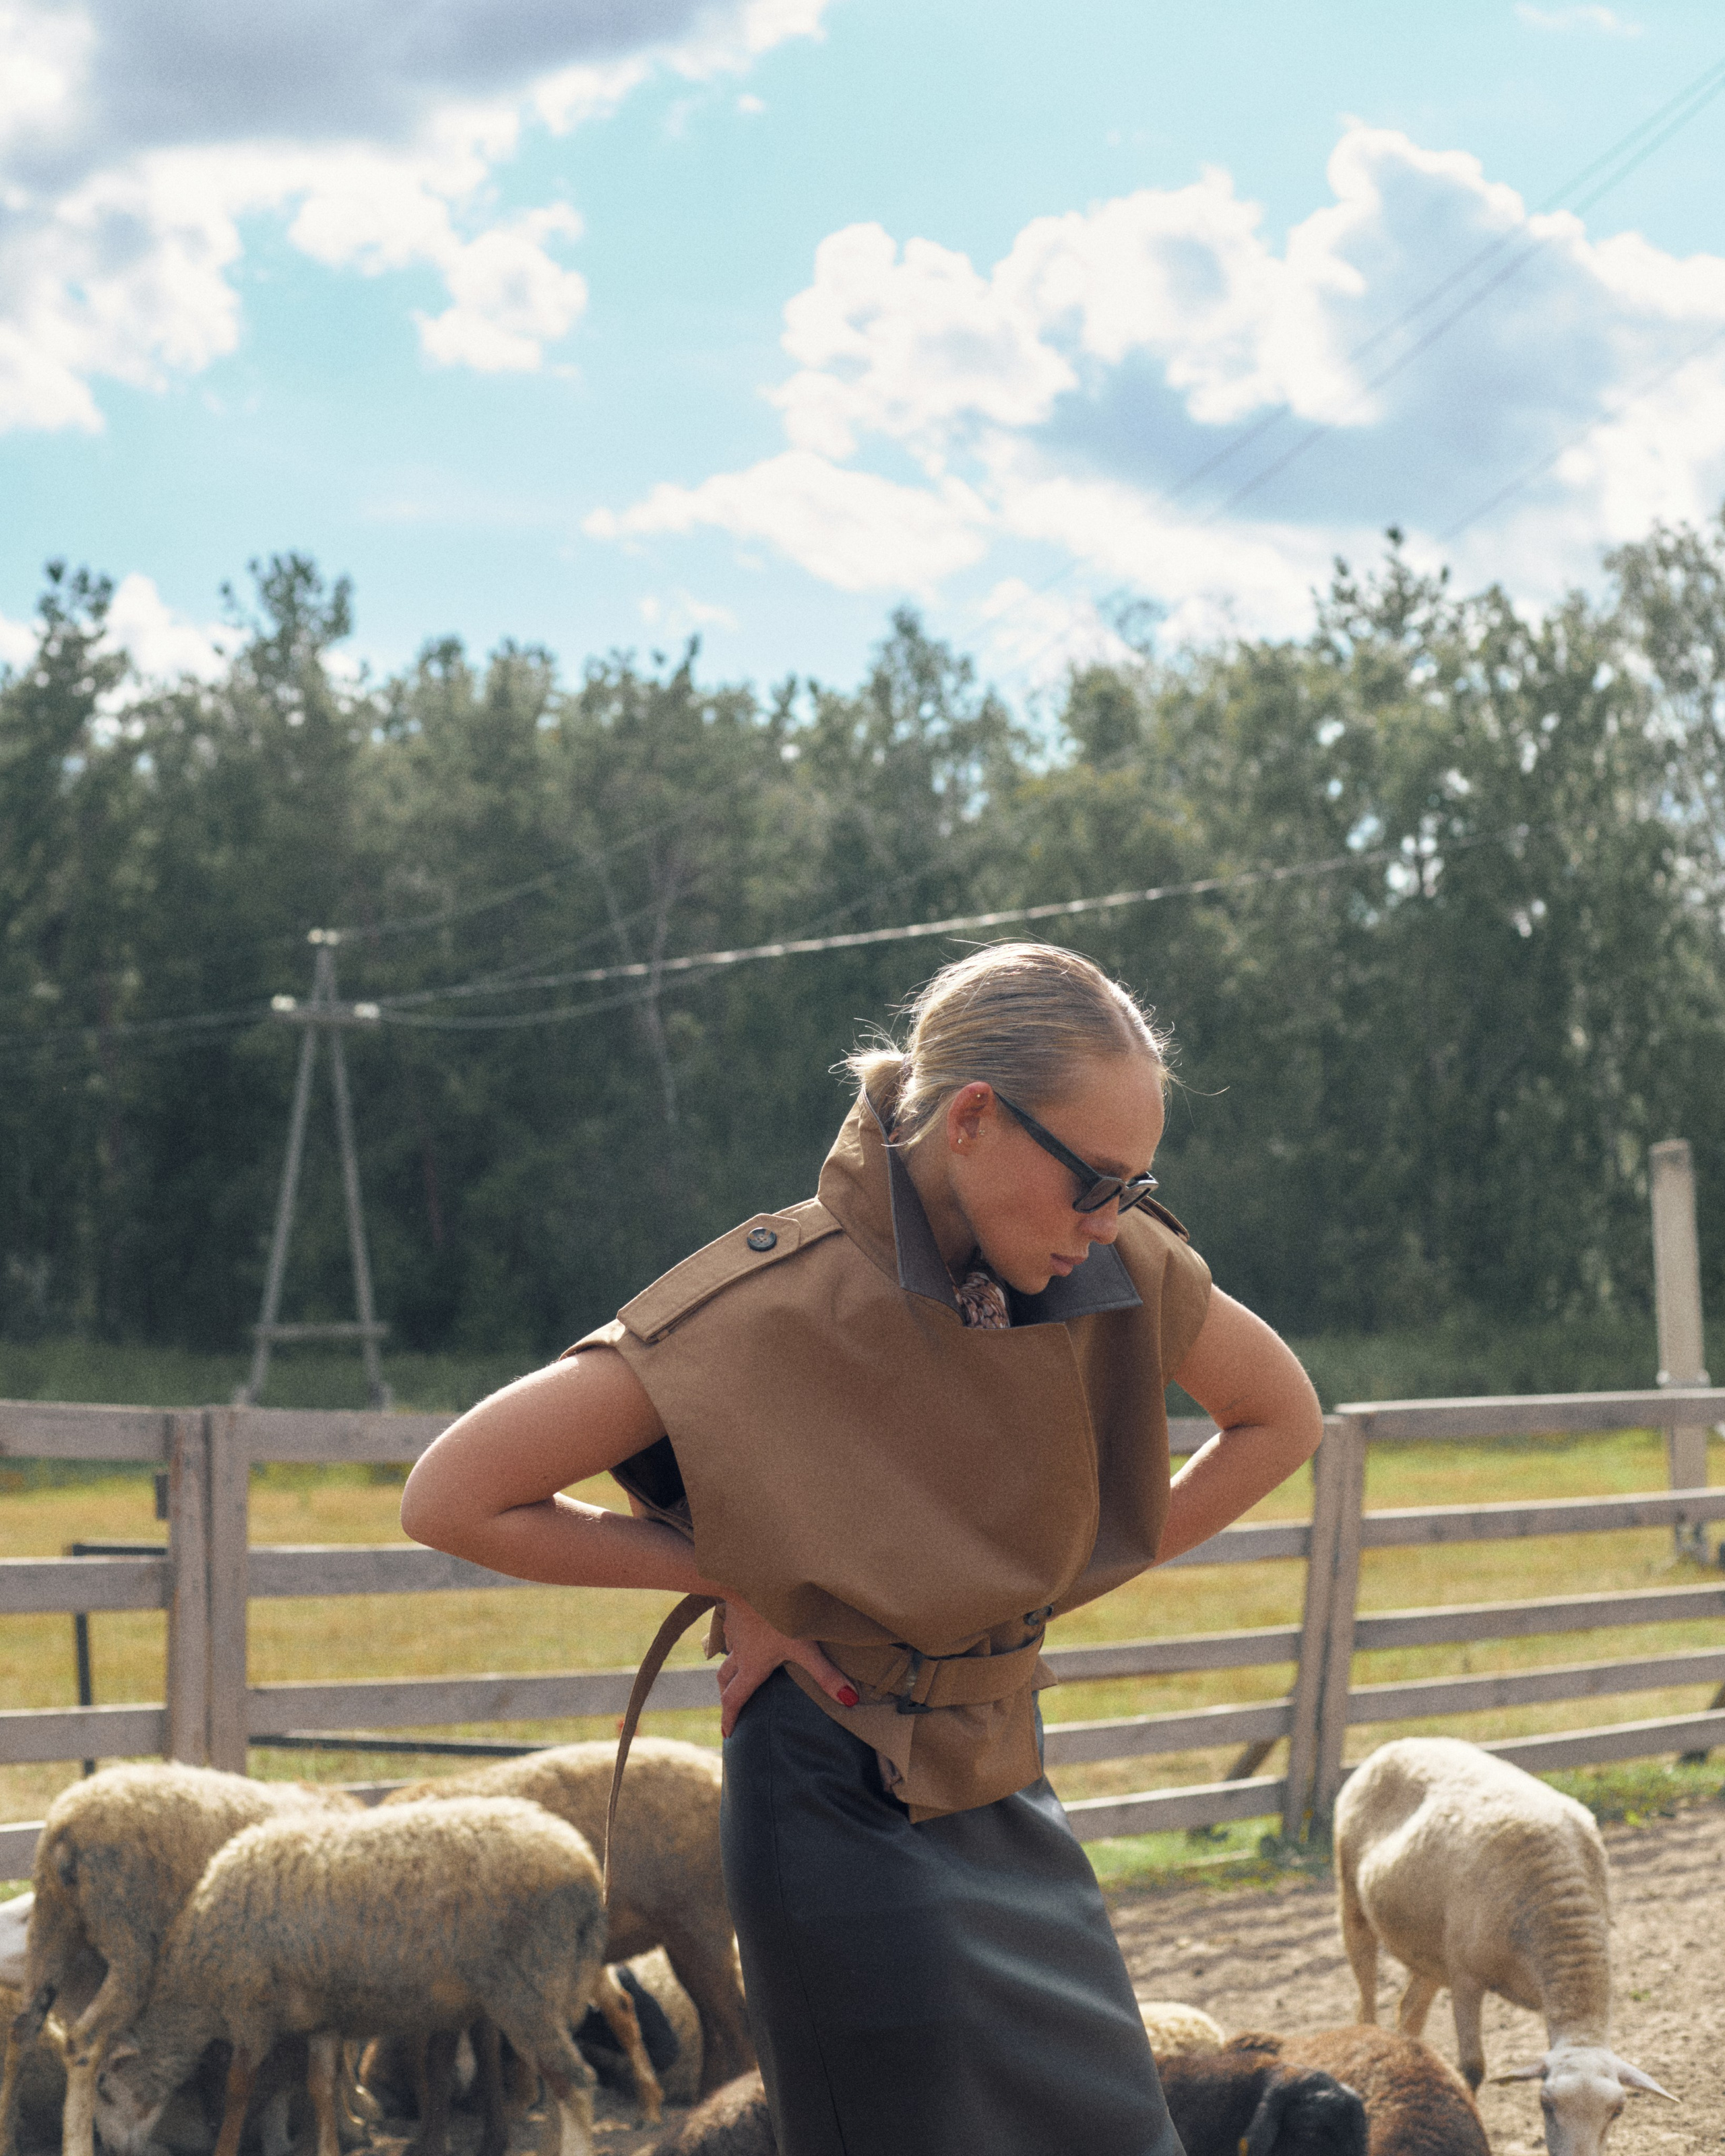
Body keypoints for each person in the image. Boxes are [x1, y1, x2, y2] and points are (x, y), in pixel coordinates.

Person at [400, 942, 1322, 2156]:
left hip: (1004, 1782)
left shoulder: (1116, 1259)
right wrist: (746, 1568)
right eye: (1096, 1181)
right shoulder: (767, 1304)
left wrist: (1047, 1582)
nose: (1110, 1223)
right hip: (832, 1806)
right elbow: (455, 1495)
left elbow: (1280, 1419)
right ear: (975, 1120)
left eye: (1136, 1189)